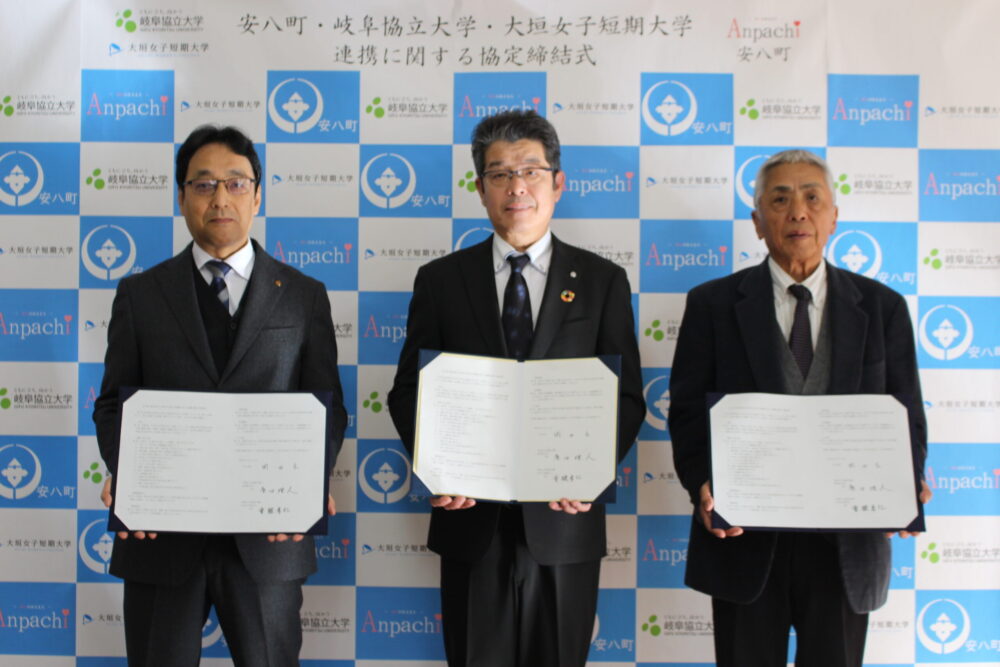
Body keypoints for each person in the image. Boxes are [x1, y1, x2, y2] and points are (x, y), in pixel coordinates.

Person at [388, 109, 645, 667]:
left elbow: (626, 396)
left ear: (558, 182)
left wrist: (591, 470)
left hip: (565, 521)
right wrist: (438, 467)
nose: (517, 186)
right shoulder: (441, 281)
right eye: (500, 173)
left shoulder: (602, 281)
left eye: (530, 170)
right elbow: (409, 391)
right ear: (480, 188)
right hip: (470, 519)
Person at [93, 125, 347, 666]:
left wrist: (309, 482)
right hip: (160, 534)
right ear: (181, 196)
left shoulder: (303, 297)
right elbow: (113, 404)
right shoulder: (140, 294)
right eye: (204, 184)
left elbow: (326, 407)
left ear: (257, 195)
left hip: (269, 537)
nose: (220, 198)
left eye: (236, 183)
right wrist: (128, 473)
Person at [668, 149, 930, 666]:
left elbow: (907, 415)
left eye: (812, 198)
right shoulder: (712, 305)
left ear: (834, 216)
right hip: (744, 538)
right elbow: (689, 413)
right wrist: (702, 483)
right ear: (757, 221)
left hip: (846, 544)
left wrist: (907, 479)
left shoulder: (882, 307)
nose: (798, 213)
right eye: (780, 200)